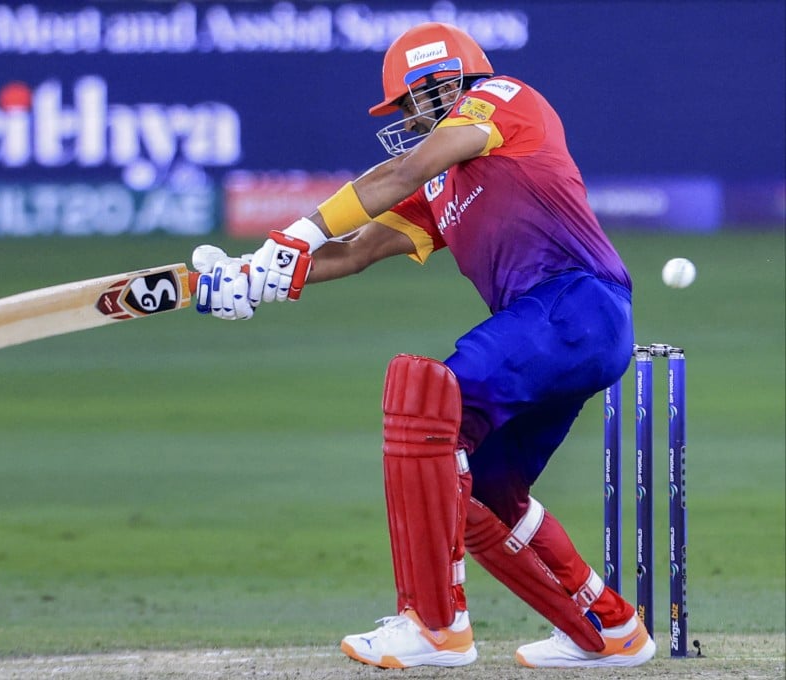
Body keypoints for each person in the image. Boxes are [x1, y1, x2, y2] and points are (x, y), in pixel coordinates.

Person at [192, 22, 654, 669]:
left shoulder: (504, 98)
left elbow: (404, 168)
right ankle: (609, 630)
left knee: (426, 403)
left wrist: (293, 232)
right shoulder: (443, 188)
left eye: (409, 103)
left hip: (577, 306)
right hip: (558, 333)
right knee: (480, 493)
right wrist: (255, 275)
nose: (407, 119)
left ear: (437, 84)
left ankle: (434, 625)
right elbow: (353, 252)